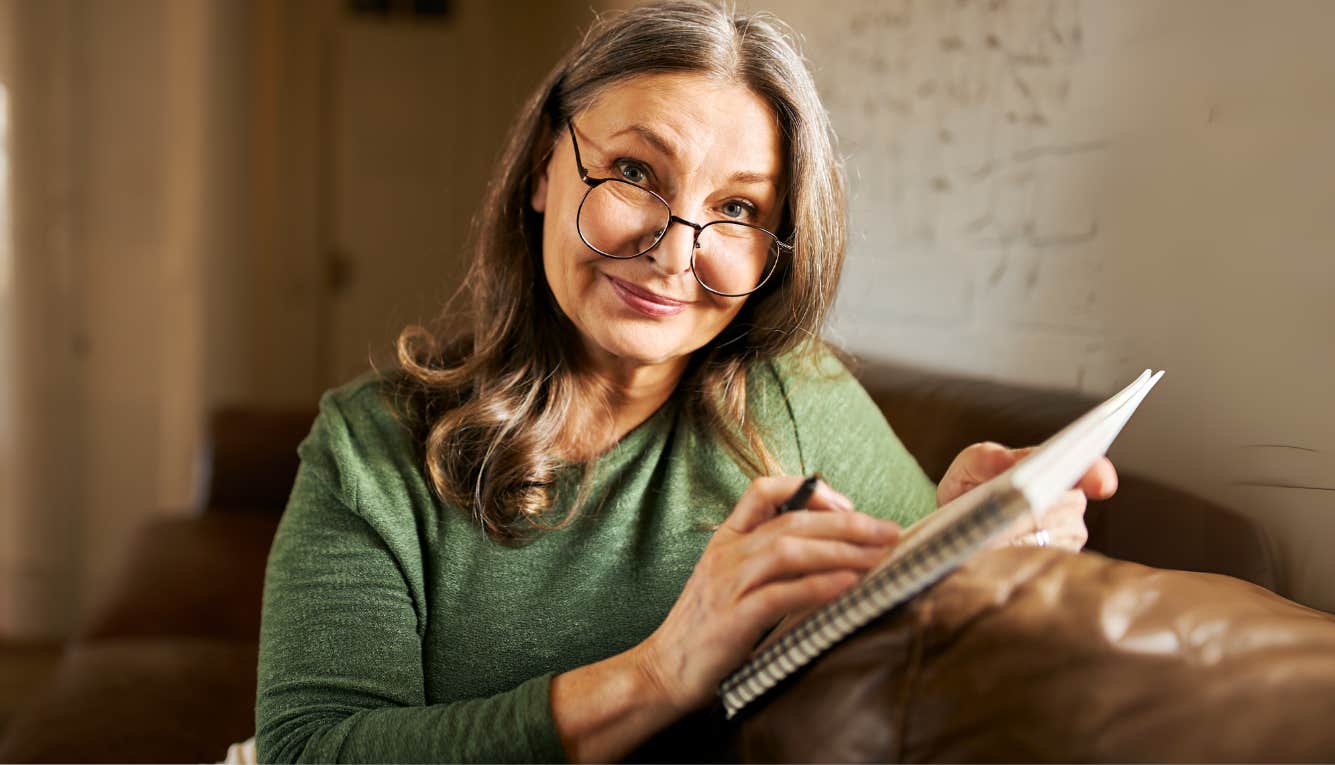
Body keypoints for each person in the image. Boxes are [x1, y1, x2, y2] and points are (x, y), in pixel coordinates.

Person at [254, 2, 1116, 762]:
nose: (677, 252)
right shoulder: (370, 449)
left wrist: (967, 539)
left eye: (738, 210)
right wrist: (658, 671)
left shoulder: (795, 395)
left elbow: (910, 646)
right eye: (635, 172)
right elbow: (308, 751)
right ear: (544, 169)